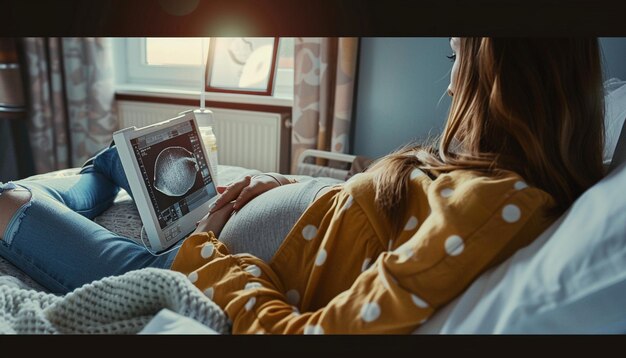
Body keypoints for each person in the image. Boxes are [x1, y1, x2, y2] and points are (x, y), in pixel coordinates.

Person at [0, 38, 606, 334]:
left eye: (455, 60)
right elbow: (369, 226)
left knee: (10, 199)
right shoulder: (495, 183)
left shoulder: (493, 209)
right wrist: (297, 190)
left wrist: (211, 245)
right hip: (218, 233)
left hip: (183, 266)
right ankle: (93, 178)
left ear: (497, 68)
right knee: (118, 157)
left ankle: (84, 182)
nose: (450, 88)